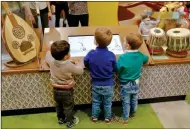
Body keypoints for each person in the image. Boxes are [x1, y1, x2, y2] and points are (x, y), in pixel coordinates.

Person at [45, 40, 84, 128]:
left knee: (58, 106)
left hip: (55, 90)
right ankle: (70, 122)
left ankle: (61, 119)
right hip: (67, 91)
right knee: (68, 107)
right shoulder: (69, 65)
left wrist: (51, 49)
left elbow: (47, 54)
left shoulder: (51, 61)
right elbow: (80, 71)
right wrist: (79, 62)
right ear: (66, 56)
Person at [84, 28, 116, 123]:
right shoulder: (111, 55)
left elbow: (85, 62)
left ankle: (94, 117)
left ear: (95, 40)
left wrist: (90, 68)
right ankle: (107, 118)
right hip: (108, 84)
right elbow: (115, 68)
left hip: (95, 84)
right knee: (107, 103)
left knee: (96, 102)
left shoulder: (91, 53)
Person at [117, 33, 149, 125]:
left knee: (126, 101)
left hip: (125, 83)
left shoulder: (122, 57)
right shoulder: (140, 55)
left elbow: (117, 68)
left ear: (127, 45)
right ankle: (133, 113)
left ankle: (125, 118)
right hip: (136, 82)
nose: (123, 43)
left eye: (124, 41)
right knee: (134, 98)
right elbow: (146, 59)